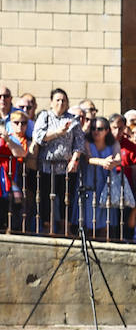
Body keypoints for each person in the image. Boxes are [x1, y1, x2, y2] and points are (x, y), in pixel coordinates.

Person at [31, 87, 84, 235]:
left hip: (66, 167)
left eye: (64, 100)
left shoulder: (73, 119)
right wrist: (57, 133)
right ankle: (48, 228)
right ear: (51, 102)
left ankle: (64, 229)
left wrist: (74, 159)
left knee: (65, 199)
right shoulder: (45, 116)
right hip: (47, 166)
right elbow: (38, 136)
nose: (61, 103)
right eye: (58, 100)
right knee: (46, 198)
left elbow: (79, 142)